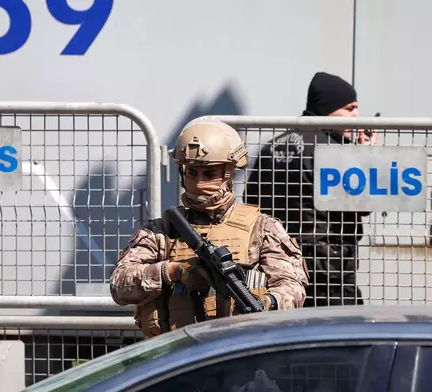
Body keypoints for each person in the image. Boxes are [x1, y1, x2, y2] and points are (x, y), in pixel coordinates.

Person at [110, 120, 309, 337]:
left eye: (209, 173)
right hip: (174, 352)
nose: (199, 182)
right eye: (192, 172)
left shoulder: (262, 228)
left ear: (229, 173)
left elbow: (292, 286)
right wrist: (172, 271)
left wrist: (268, 302)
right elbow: (120, 286)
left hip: (239, 346)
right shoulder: (161, 232)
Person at [244, 71, 378, 307]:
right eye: (350, 108)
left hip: (276, 266)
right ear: (329, 107)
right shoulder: (333, 150)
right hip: (328, 270)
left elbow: (250, 199)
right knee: (340, 335)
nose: (356, 116)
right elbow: (362, 202)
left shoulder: (271, 146)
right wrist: (363, 156)